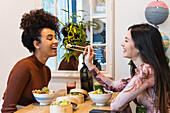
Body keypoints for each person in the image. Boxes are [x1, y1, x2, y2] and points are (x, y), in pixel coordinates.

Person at [84, 23, 170, 113]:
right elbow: (112, 85)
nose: (122, 44)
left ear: (139, 46)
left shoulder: (147, 71)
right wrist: (89, 64)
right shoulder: (146, 71)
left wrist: (125, 100)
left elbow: (116, 105)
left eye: (126, 41)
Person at [1, 9, 60, 113]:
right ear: (36, 44)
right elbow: (7, 110)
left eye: (55, 37)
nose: (56, 41)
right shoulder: (24, 67)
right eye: (50, 38)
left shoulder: (46, 71)